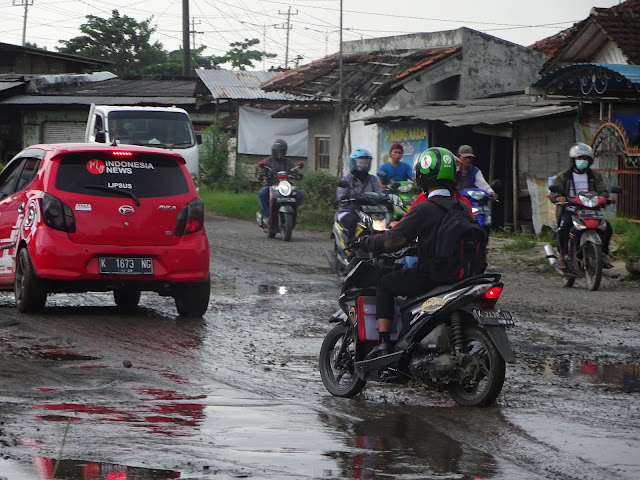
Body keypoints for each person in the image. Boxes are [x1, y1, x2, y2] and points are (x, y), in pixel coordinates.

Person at [350, 147, 467, 358]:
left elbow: (392, 240)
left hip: (433, 275)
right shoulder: (462, 206)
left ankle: (383, 344)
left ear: (424, 174)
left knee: (385, 284)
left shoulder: (425, 207)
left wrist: (366, 242)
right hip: (464, 275)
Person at [549, 142, 615, 270]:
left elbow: (602, 191)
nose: (582, 161)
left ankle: (601, 255)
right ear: (573, 160)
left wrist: (607, 198)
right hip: (571, 209)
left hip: (590, 210)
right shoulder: (564, 176)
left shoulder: (595, 176)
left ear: (590, 161)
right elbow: (554, 192)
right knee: (564, 227)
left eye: (585, 159)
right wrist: (558, 197)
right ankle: (561, 257)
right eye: (579, 158)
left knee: (607, 228)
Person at [336, 148, 382, 240]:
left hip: (369, 211)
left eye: (366, 162)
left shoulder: (372, 179)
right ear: (353, 163)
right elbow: (341, 196)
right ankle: (351, 247)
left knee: (385, 222)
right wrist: (347, 198)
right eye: (360, 162)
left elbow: (379, 193)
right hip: (348, 211)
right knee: (353, 221)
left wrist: (384, 197)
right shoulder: (347, 179)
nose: (363, 165)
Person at [257, 139, 304, 226]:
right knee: (263, 193)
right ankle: (267, 216)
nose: (279, 153)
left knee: (300, 194)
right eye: (277, 151)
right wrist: (263, 176)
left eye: (281, 151)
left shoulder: (288, 162)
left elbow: (295, 171)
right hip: (272, 186)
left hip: (285, 187)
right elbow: (261, 172)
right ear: (273, 150)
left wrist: (297, 175)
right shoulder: (268, 161)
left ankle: (292, 213)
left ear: (284, 151)